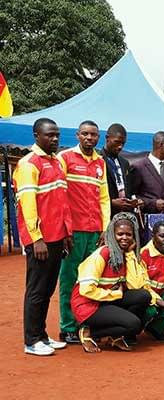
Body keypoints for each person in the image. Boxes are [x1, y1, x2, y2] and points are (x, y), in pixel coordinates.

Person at [16, 118, 73, 356]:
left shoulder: (56, 162)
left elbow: (61, 203)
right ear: (36, 136)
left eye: (57, 135)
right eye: (50, 135)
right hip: (40, 240)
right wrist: (36, 238)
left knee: (48, 288)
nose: (55, 139)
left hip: (57, 237)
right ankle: (31, 340)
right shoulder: (28, 164)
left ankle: (41, 335)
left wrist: (66, 233)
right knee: (37, 290)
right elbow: (28, 204)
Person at [56, 121, 111, 345]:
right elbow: (58, 196)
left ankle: (85, 323)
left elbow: (104, 198)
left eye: (94, 135)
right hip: (73, 232)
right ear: (78, 135)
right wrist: (64, 229)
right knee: (69, 279)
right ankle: (67, 327)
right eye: (85, 134)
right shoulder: (65, 158)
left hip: (95, 231)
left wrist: (105, 228)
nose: (89, 138)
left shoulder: (100, 162)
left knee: (90, 279)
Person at [73, 213, 159, 353]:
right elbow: (86, 290)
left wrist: (130, 255)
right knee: (134, 324)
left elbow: (135, 285)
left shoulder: (125, 254)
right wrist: (115, 294)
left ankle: (115, 335)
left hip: (107, 299)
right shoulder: (102, 254)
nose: (124, 238)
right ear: (112, 235)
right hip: (88, 304)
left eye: (129, 234)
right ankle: (89, 331)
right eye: (120, 234)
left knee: (143, 296)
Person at [130, 131, 164, 214]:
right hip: (149, 221)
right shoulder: (139, 167)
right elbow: (133, 197)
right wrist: (153, 203)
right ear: (160, 145)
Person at [101, 123, 143, 217]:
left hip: (125, 215)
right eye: (117, 142)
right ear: (107, 138)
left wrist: (133, 201)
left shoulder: (124, 163)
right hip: (106, 214)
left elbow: (130, 189)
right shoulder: (98, 160)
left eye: (123, 143)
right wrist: (111, 202)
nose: (120, 146)